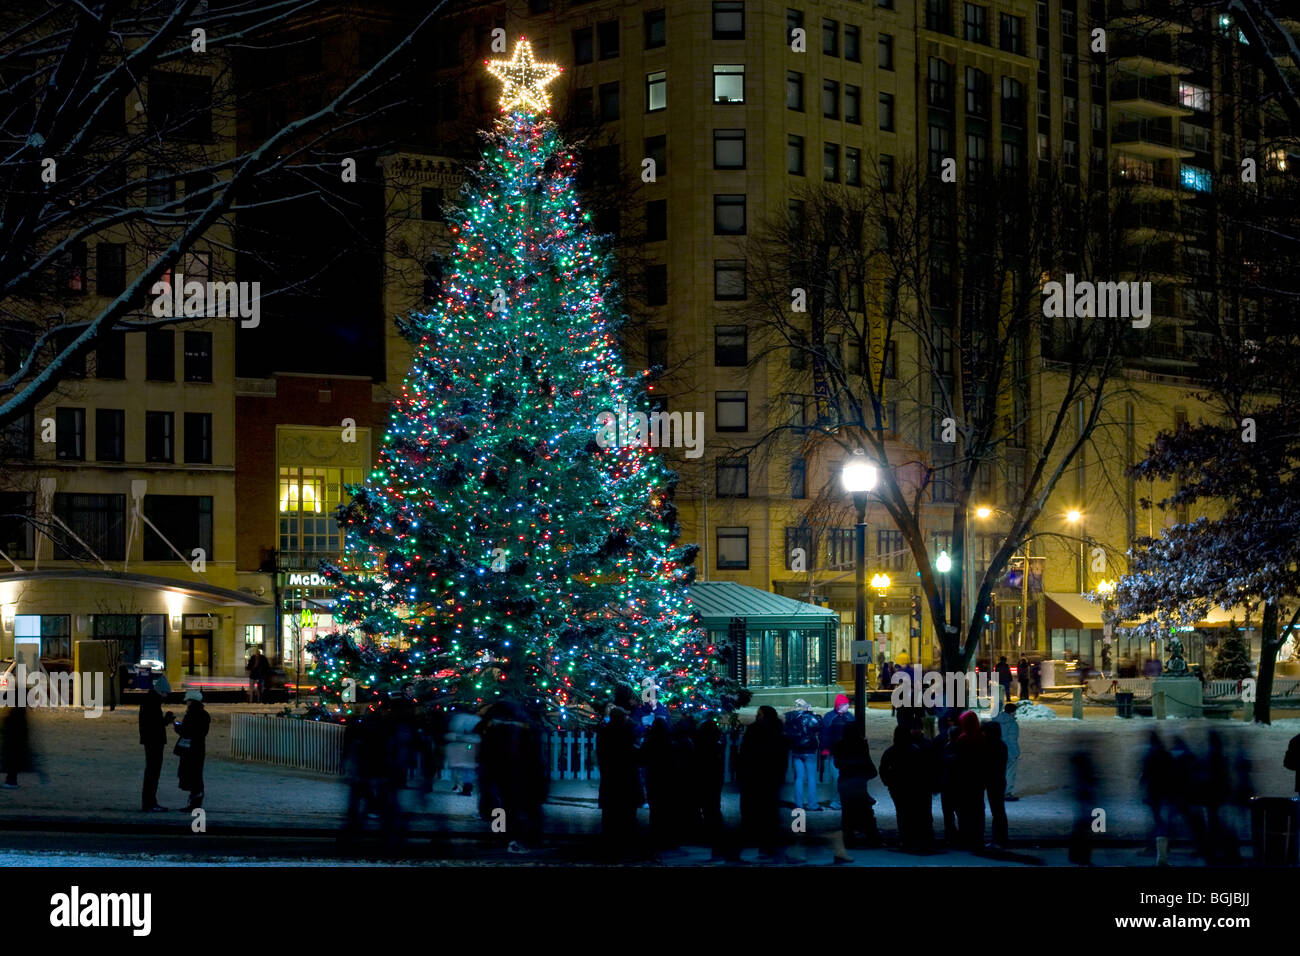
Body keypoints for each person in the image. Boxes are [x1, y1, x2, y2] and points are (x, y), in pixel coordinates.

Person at [739, 706, 788, 859]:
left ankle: (763, 845)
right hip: (759, 777)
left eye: (759, 715)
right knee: (763, 813)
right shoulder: (769, 731)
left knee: (764, 813)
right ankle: (762, 844)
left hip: (763, 777)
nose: (757, 717)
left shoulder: (768, 732)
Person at [597, 701, 642, 861]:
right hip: (626, 781)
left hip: (611, 780)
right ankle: (625, 846)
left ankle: (610, 847)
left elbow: (601, 754)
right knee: (626, 814)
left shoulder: (606, 733)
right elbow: (635, 755)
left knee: (610, 815)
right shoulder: (626, 734)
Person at [880, 725, 933, 851]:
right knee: (915, 812)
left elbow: (883, 769)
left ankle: (906, 840)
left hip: (898, 787)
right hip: (914, 787)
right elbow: (923, 769)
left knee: (902, 813)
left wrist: (888, 783)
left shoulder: (890, 751)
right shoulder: (915, 750)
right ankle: (918, 840)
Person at [833, 725, 882, 849]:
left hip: (845, 781)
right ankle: (871, 837)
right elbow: (867, 762)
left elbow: (837, 763)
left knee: (847, 812)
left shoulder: (839, 745)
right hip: (858, 782)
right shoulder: (861, 745)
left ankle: (849, 838)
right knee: (864, 811)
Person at [692, 717, 727, 859]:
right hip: (714, 779)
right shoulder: (717, 745)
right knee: (713, 808)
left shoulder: (701, 746)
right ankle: (715, 837)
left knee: (707, 809)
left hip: (705, 779)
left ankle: (710, 836)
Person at [139, 674, 174, 811]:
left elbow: (152, 724)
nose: (166, 696)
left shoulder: (149, 701)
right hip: (154, 742)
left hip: (151, 740)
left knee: (151, 772)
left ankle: (149, 802)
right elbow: (154, 725)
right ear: (160, 691)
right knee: (153, 772)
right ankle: (149, 802)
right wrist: (166, 720)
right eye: (165, 693)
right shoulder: (152, 703)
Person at [952, 710, 986, 849]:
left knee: (964, 810)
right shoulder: (982, 738)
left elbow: (958, 761)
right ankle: (978, 837)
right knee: (978, 810)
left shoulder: (963, 739)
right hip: (978, 780)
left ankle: (966, 837)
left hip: (964, 781)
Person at [1140, 730, 1174, 865]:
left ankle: (1156, 850)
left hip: (1153, 793)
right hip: (1166, 792)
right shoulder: (1166, 754)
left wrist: (1143, 791)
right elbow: (1172, 773)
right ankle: (1163, 851)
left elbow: (1145, 775)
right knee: (1162, 821)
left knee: (1157, 820)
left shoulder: (1149, 755)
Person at [783, 698, 822, 811]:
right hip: (809, 750)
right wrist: (813, 714)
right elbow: (819, 726)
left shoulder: (790, 717)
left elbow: (786, 733)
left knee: (799, 778)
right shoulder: (811, 717)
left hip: (796, 750)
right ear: (807, 707)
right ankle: (813, 804)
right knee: (811, 778)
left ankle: (798, 804)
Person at [173, 689, 210, 811]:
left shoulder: (191, 714)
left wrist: (177, 727)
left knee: (192, 775)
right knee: (196, 775)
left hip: (190, 749)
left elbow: (186, 731)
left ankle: (194, 803)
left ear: (191, 701)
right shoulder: (204, 714)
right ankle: (196, 801)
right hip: (199, 748)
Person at [820, 694, 853, 811]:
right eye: (846, 704)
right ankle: (836, 801)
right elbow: (824, 735)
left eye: (848, 704)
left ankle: (845, 800)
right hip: (834, 753)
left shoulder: (849, 717)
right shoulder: (829, 717)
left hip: (847, 753)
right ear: (840, 705)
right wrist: (825, 749)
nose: (848, 706)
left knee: (846, 777)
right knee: (836, 778)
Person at [983, 721, 1009, 849]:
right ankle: (1001, 838)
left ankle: (999, 839)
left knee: (997, 811)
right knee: (999, 811)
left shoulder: (990, 745)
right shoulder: (1001, 745)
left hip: (993, 781)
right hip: (999, 780)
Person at [994, 702, 1021, 800]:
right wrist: (1016, 752)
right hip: (1009, 752)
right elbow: (1012, 740)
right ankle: (1007, 793)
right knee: (1009, 772)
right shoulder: (1013, 724)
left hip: (996, 751)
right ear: (1012, 712)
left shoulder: (996, 721)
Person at [0, 706, 31, 789]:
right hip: (15, 740)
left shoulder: (15, 715)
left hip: (13, 740)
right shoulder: (19, 715)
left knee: (12, 759)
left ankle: (11, 781)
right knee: (13, 760)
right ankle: (11, 781)